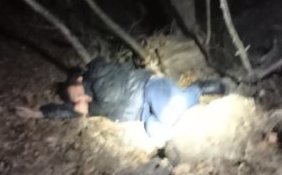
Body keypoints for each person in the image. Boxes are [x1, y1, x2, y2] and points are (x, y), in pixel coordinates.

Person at [39, 57, 225, 144]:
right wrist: (41, 112)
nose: (80, 99)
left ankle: (197, 88)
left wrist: (90, 109)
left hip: (150, 87)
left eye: (78, 93)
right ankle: (183, 102)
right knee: (157, 133)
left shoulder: (97, 73)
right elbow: (69, 110)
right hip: (144, 113)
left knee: (168, 115)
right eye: (76, 100)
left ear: (80, 80)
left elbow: (111, 96)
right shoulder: (90, 102)